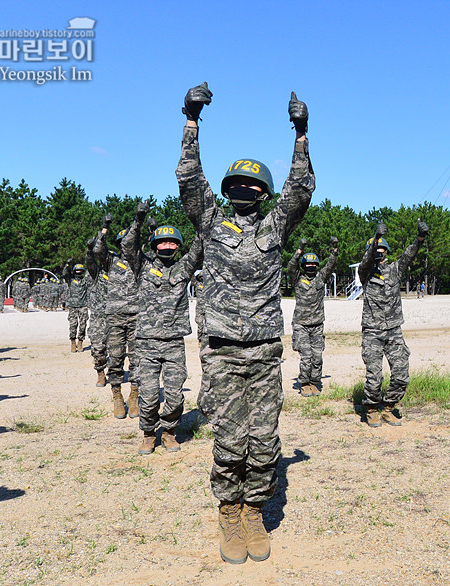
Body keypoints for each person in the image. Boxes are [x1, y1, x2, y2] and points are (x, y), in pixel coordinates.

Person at [177, 82, 314, 565]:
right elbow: (189, 183)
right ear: (227, 190)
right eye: (236, 185)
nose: (244, 191)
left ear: (263, 193)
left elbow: (301, 191)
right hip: (222, 351)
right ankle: (228, 512)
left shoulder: (275, 228)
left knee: (265, 438)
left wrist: (301, 133)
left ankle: (255, 509)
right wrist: (191, 120)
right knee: (230, 437)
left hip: (264, 353)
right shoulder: (210, 224)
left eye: (253, 187)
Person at [121, 203, 201, 453]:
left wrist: (200, 218)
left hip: (174, 342)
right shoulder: (143, 266)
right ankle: (147, 433)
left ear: (177, 246)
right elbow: (127, 246)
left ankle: (169, 431)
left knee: (175, 395)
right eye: (162, 243)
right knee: (150, 394)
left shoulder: (183, 267)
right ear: (155, 246)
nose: (167, 247)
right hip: (146, 342)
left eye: (172, 243)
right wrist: (139, 219)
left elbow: (201, 245)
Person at [358, 220, 428, 427]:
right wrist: (375, 237)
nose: (379, 252)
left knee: (401, 373)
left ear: (387, 252)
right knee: (374, 376)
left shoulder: (395, 270)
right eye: (376, 250)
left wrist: (420, 238)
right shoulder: (365, 273)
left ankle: (388, 408)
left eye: (382, 249)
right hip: (372, 331)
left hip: (394, 330)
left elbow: (409, 255)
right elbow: (365, 262)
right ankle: (371, 409)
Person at [94, 218, 142, 419]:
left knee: (137, 358)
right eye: (123, 242)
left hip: (137, 315)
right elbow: (97, 251)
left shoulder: (140, 261)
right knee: (115, 357)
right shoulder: (111, 260)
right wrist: (104, 230)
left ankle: (134, 394)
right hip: (115, 316)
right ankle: (116, 394)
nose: (126, 245)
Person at [286, 236, 338, 396]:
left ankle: (315, 382)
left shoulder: (320, 278)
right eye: (308, 264)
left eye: (313, 264)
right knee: (306, 357)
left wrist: (335, 250)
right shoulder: (298, 279)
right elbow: (290, 267)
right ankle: (304, 382)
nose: (311, 266)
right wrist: (299, 250)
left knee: (317, 357)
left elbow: (330, 265)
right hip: (301, 325)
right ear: (303, 265)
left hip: (317, 325)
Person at [84, 236, 109, 391]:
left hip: (117, 317)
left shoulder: (120, 273)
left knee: (117, 352)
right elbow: (89, 263)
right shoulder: (96, 274)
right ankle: (100, 371)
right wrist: (89, 249)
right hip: (99, 318)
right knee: (98, 348)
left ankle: (115, 375)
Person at [63, 259, 89, 352]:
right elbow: (65, 274)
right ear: (74, 271)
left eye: (80, 270)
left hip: (83, 306)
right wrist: (67, 264)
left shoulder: (85, 281)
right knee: (73, 325)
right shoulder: (70, 280)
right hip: (73, 306)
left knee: (83, 325)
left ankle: (80, 341)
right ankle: (73, 342)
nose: (78, 272)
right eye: (77, 270)